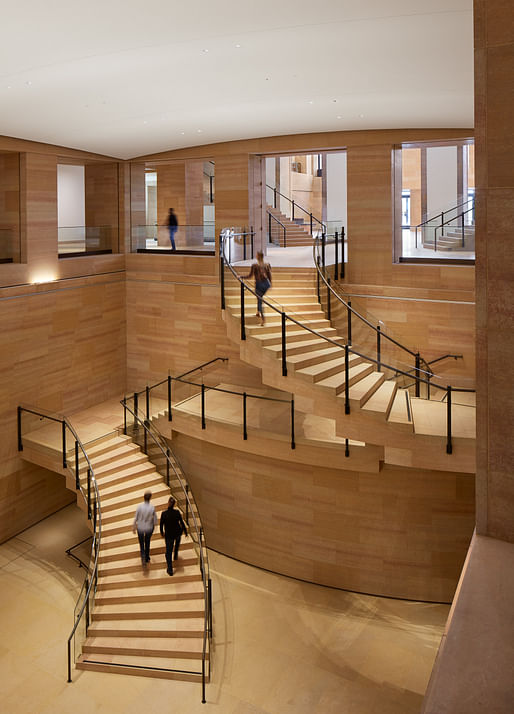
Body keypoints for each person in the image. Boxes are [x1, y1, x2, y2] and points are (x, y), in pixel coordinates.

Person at [160, 497, 187, 576]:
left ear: (168, 503)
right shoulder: (177, 512)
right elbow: (181, 522)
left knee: (168, 552)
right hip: (177, 533)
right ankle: (175, 554)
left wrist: (162, 532)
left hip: (169, 535)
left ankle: (170, 569)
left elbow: (161, 524)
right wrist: (185, 531)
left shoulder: (164, 514)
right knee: (177, 543)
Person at [243, 251, 272, 325]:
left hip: (259, 284)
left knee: (260, 300)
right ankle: (258, 312)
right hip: (267, 284)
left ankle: (263, 319)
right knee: (259, 298)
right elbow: (269, 276)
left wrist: (241, 276)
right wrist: (271, 284)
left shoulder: (255, 266)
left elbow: (250, 276)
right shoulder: (267, 265)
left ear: (258, 257)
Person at [132, 491, 157, 568]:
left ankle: (143, 555)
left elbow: (136, 517)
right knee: (147, 542)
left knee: (141, 543)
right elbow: (155, 520)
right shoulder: (152, 507)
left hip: (140, 528)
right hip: (149, 528)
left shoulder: (139, 506)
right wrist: (154, 526)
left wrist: (134, 526)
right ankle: (147, 557)